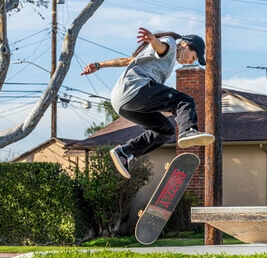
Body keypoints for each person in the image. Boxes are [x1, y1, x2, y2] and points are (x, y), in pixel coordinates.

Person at [81, 27, 215, 178]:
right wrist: (154, 41)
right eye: (194, 56)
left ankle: (125, 152)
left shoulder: (162, 59)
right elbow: (162, 48)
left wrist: (98, 65)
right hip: (136, 89)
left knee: (165, 130)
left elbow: (126, 61)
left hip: (123, 103)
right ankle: (188, 131)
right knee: (184, 101)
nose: (192, 61)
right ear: (185, 45)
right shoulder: (170, 43)